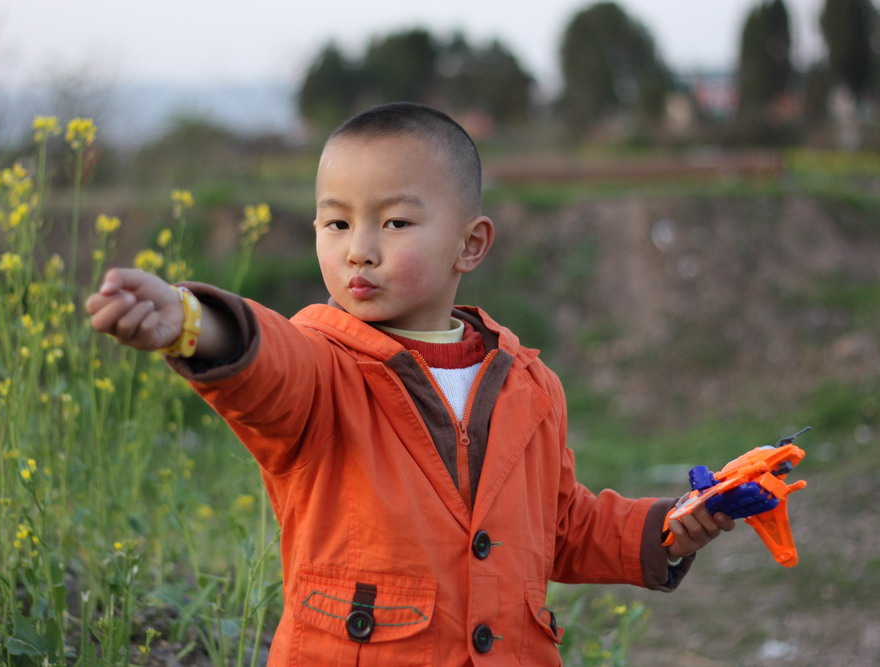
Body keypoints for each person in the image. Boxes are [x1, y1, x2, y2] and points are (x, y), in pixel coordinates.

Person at [85, 101, 734, 665]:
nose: (359, 249)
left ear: (470, 244)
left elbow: (561, 526)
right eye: (337, 223)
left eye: (394, 222)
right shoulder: (323, 365)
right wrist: (191, 322)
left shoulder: (530, 387)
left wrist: (671, 526)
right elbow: (269, 365)